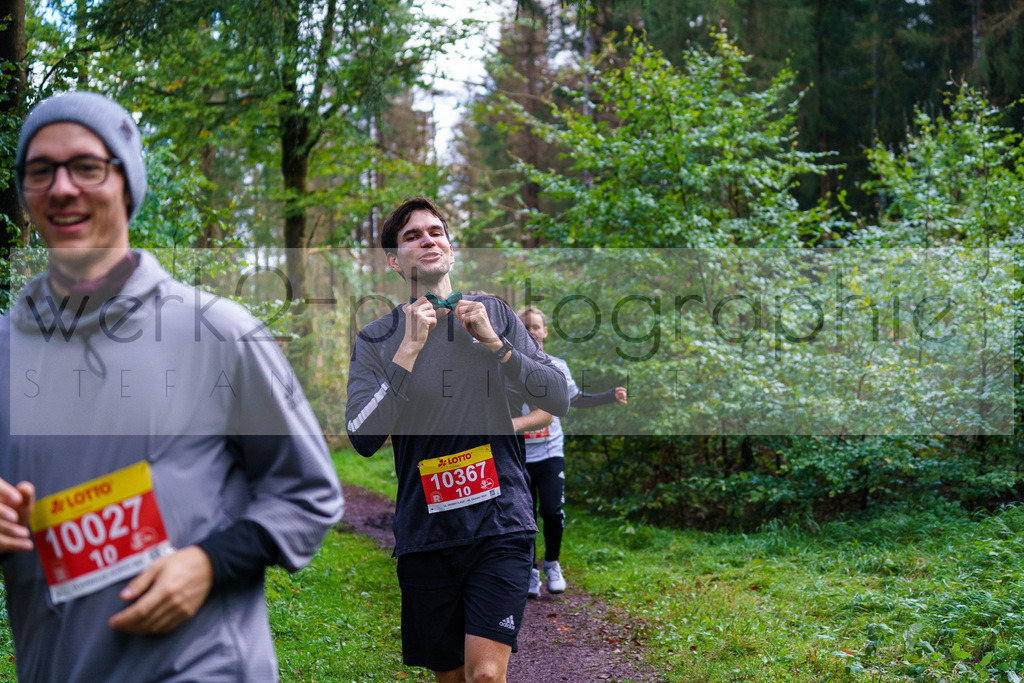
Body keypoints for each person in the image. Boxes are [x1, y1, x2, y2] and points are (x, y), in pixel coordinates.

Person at [0, 91, 344, 682]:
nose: (61, 188)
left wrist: (211, 562)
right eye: (40, 171)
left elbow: (308, 493)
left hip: (202, 666)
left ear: (126, 184)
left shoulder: (218, 332)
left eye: (86, 166)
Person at [345, 197, 570, 683]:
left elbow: (558, 396)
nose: (427, 239)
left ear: (450, 247)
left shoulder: (495, 314)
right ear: (392, 260)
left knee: (485, 676)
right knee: (450, 677)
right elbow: (362, 437)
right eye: (411, 235)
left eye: (436, 231)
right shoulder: (378, 338)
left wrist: (495, 344)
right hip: (425, 534)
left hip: (500, 522)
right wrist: (408, 350)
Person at [516, 305, 627, 598]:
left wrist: (609, 396)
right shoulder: (508, 364)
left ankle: (552, 563)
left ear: (545, 331)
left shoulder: (557, 365)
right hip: (517, 453)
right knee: (523, 517)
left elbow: (575, 399)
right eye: (525, 327)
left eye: (536, 327)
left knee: (551, 511)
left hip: (551, 452)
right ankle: (530, 571)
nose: (531, 332)